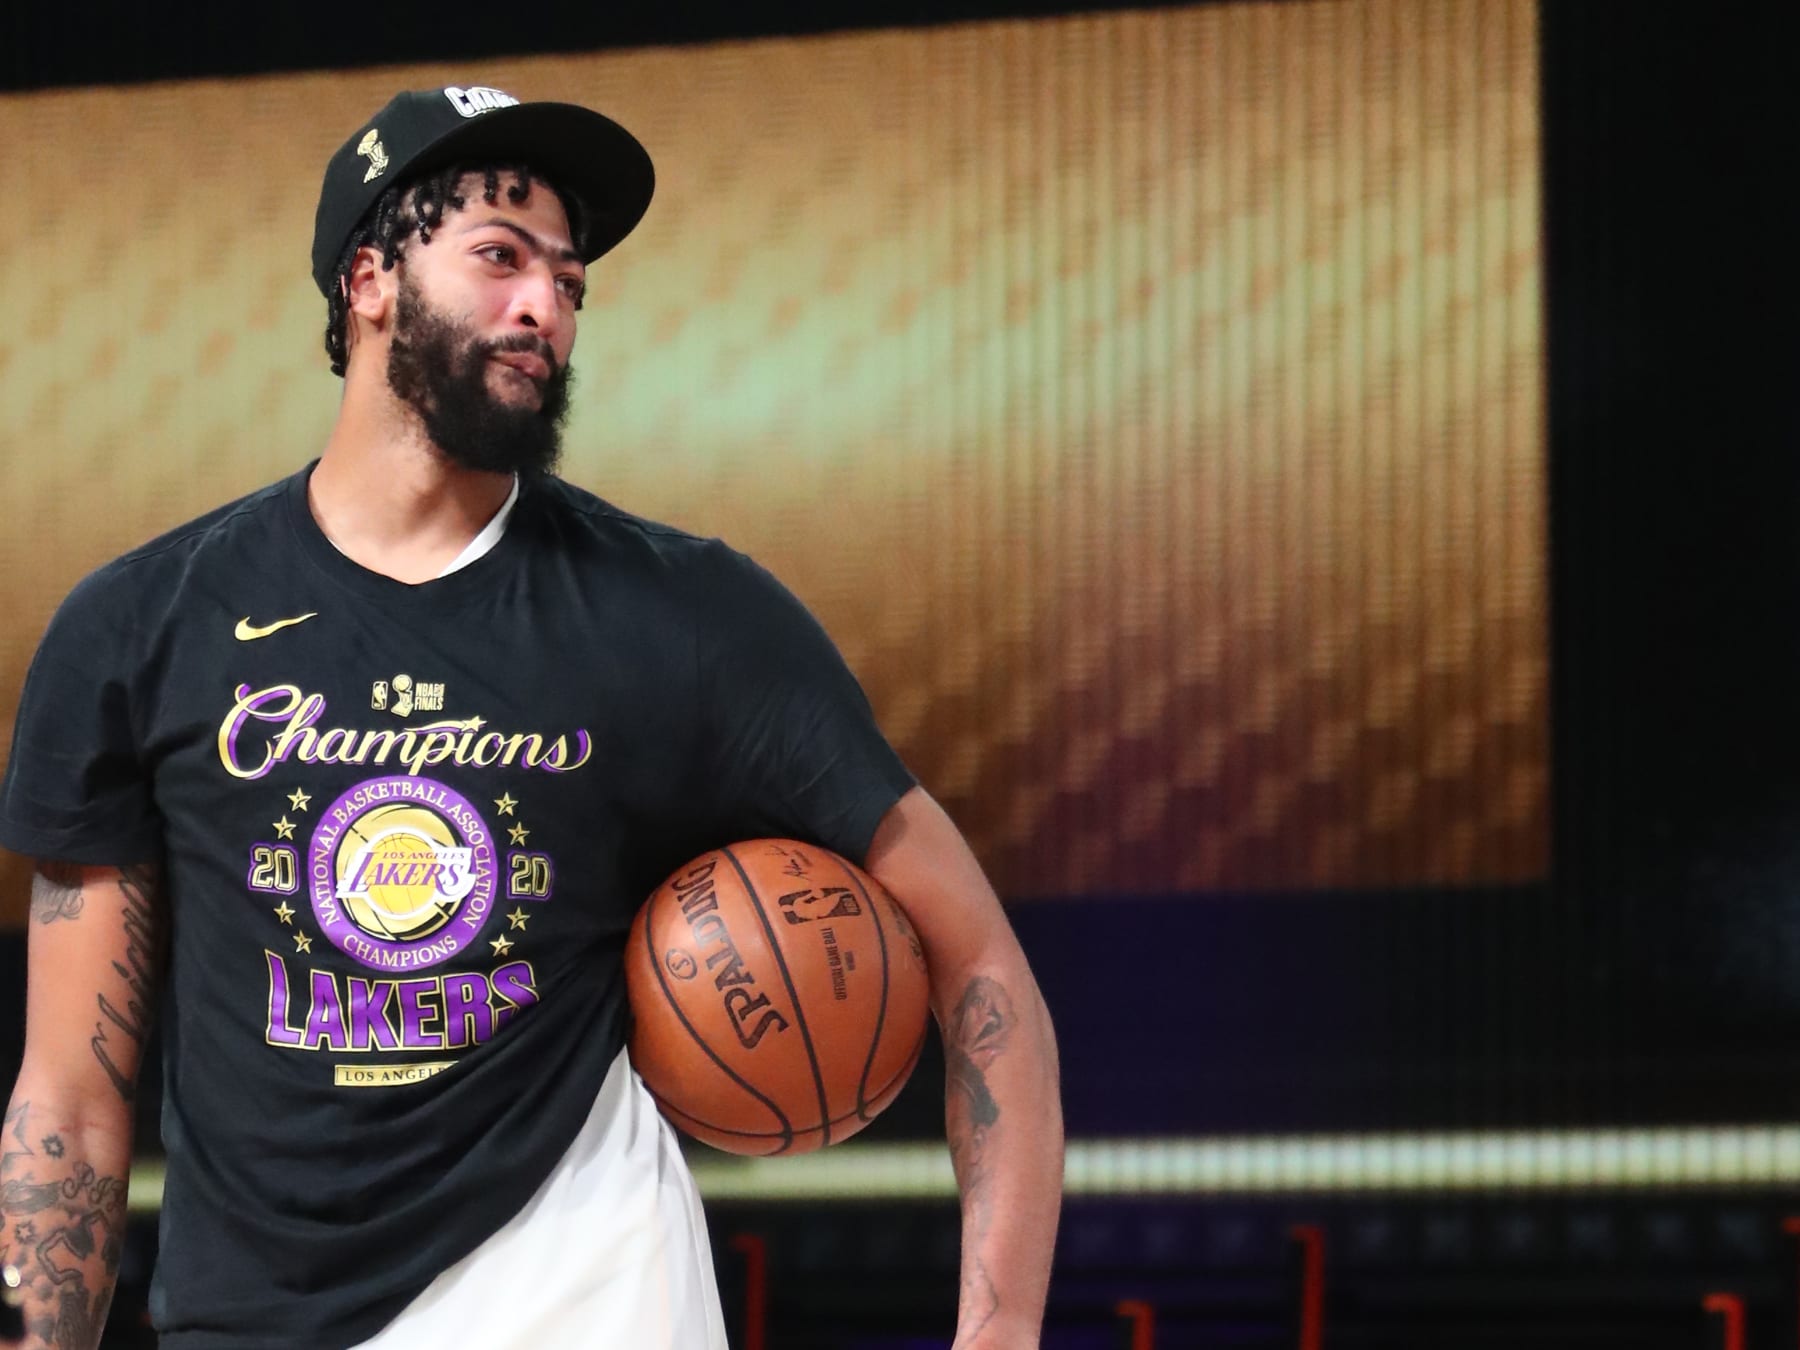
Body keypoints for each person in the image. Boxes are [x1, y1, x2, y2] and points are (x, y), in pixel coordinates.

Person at [0, 84, 1063, 1348]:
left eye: (569, 283)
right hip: (255, 1320)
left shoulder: (689, 614)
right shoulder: (139, 626)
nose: (541, 308)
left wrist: (996, 1339)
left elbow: (982, 964)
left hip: (587, 1293)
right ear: (369, 280)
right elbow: (70, 1090)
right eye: (499, 259)